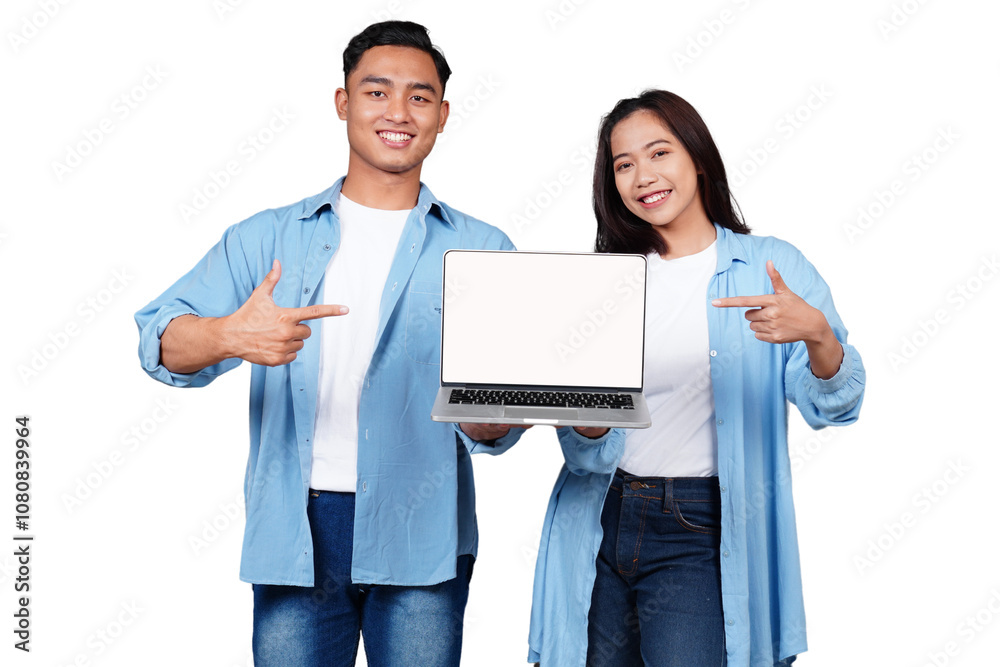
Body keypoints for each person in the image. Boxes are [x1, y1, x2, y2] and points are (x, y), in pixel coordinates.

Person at [134, 21, 518, 667]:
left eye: (419, 97)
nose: (398, 112)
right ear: (343, 102)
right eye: (377, 92)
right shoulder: (266, 238)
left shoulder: (486, 250)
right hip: (297, 533)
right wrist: (230, 334)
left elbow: (497, 426)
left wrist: (488, 416)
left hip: (423, 531)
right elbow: (159, 340)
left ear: (443, 115)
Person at [527, 90, 866, 666]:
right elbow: (586, 453)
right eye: (624, 164)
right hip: (598, 517)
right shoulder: (604, 286)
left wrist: (819, 337)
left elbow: (833, 405)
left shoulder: (767, 267)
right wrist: (581, 419)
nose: (643, 176)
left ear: (698, 158)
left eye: (659, 153)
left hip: (699, 525)